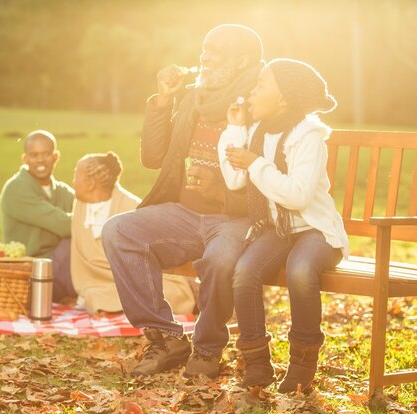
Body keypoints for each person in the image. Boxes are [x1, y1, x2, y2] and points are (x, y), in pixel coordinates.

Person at [101, 24, 263, 377]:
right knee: (119, 231)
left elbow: (270, 175)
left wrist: (218, 188)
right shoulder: (194, 97)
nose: (206, 56)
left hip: (235, 219)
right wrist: (163, 100)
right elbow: (154, 157)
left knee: (221, 259)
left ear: (242, 61)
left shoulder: (258, 103)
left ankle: (207, 349)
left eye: (217, 51)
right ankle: (165, 338)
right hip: (184, 215)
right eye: (205, 47)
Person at [219, 58, 349, 392]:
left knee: (300, 269)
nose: (251, 91)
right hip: (280, 230)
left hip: (316, 230)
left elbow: (300, 195)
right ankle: (257, 362)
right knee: (245, 272)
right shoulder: (255, 132)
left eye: (261, 85)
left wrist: (256, 164)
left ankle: (303, 364)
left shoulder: (308, 136)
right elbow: (235, 179)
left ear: (284, 99)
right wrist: (234, 129)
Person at [71, 152, 196, 316]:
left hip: (140, 280)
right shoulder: (80, 207)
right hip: (100, 284)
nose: (73, 182)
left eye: (76, 176)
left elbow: (163, 251)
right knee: (94, 295)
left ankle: (128, 307)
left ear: (90, 184)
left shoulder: (133, 209)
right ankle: (132, 307)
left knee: (168, 292)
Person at [0, 130, 76, 303]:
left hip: (55, 266)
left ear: (56, 157)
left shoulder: (62, 191)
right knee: (78, 240)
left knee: (99, 237)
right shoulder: (16, 189)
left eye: (46, 154)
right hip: (29, 273)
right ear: (25, 159)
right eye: (34, 155)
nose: (40, 160)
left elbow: (87, 209)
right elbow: (65, 225)